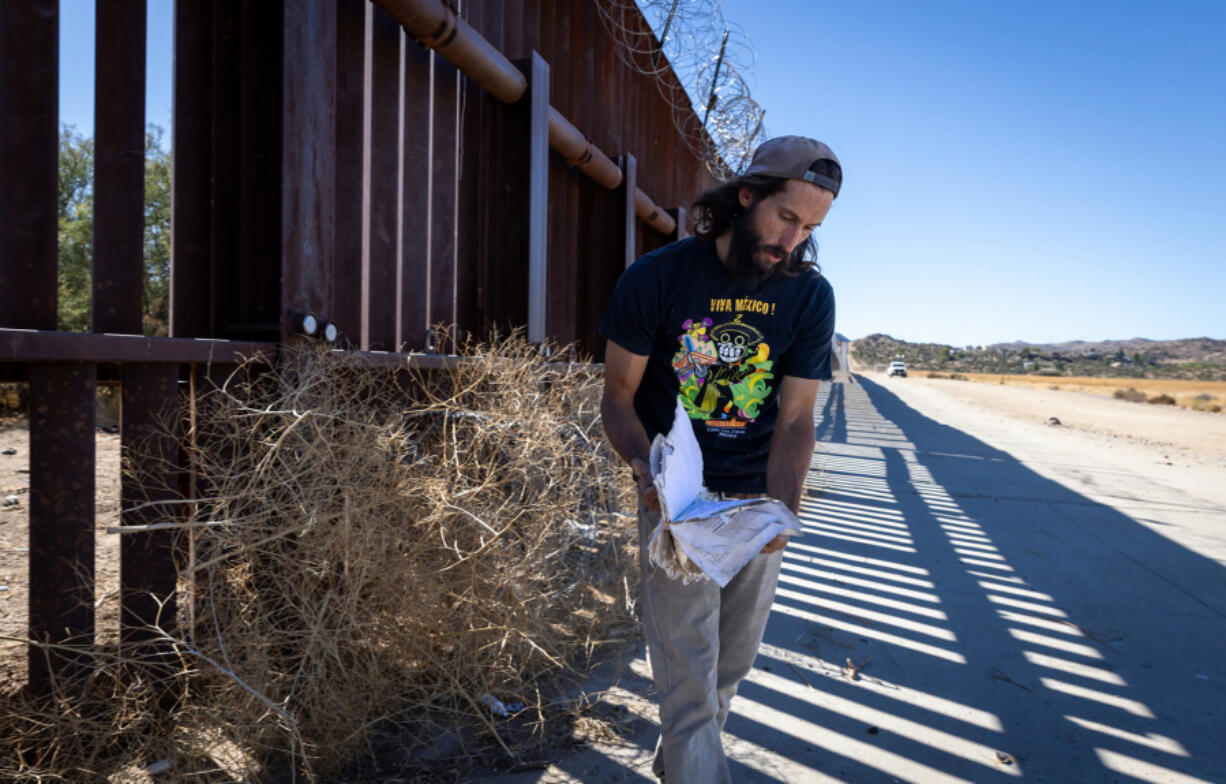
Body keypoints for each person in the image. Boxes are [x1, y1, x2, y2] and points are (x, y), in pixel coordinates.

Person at [599, 135, 841, 783]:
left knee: (727, 672)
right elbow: (618, 400)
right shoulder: (659, 278)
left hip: (754, 504)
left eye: (810, 228)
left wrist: (780, 512)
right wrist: (644, 474)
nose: (793, 241)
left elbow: (794, 420)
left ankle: (678, 765)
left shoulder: (810, 297)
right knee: (686, 680)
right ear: (746, 196)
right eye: (786, 218)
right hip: (678, 504)